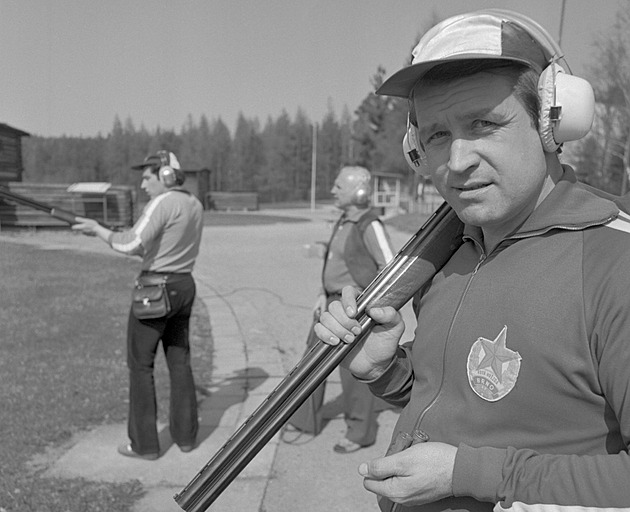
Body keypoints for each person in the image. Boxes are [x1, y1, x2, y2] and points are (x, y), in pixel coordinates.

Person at [314, 9, 630, 511]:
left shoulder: (615, 266)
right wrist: (385, 370)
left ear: (553, 122)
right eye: (437, 135)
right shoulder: (451, 251)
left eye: (483, 123)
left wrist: (466, 474)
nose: (457, 163)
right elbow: (459, 401)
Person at [72, 150, 203, 460]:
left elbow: (131, 244)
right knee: (180, 360)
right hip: (184, 286)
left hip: (155, 290)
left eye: (148, 176)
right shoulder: (194, 204)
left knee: (140, 365)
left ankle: (144, 445)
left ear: (166, 176)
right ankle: (186, 437)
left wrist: (99, 231)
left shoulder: (163, 202)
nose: (143, 184)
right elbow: (156, 244)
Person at [287, 165, 395, 453]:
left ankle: (360, 433)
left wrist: (366, 306)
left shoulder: (369, 224)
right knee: (310, 365)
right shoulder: (344, 220)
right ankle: (303, 421)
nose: (333, 191)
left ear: (359, 191)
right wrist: (322, 293)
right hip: (330, 303)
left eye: (339, 186)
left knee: (354, 375)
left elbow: (391, 268)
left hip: (352, 310)